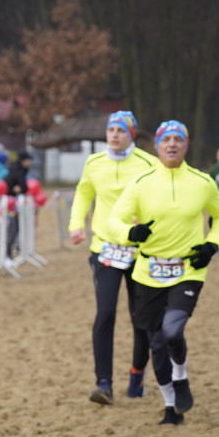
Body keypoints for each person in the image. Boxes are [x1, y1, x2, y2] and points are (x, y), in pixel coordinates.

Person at [108, 120, 219, 425]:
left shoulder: (203, 182)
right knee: (156, 343)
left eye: (178, 139)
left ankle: (181, 374)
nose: (172, 144)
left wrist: (212, 244)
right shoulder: (141, 182)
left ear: (186, 145)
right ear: (157, 146)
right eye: (167, 140)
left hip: (188, 268)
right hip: (148, 272)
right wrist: (131, 233)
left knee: (173, 329)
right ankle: (169, 405)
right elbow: (114, 221)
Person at [69, 111, 156, 403]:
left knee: (140, 317)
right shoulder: (94, 163)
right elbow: (83, 194)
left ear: (131, 134)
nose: (115, 135)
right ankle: (103, 383)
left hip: (139, 251)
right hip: (104, 248)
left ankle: (137, 372)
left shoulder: (148, 164)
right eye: (111, 130)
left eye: (121, 130)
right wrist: (76, 225)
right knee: (105, 313)